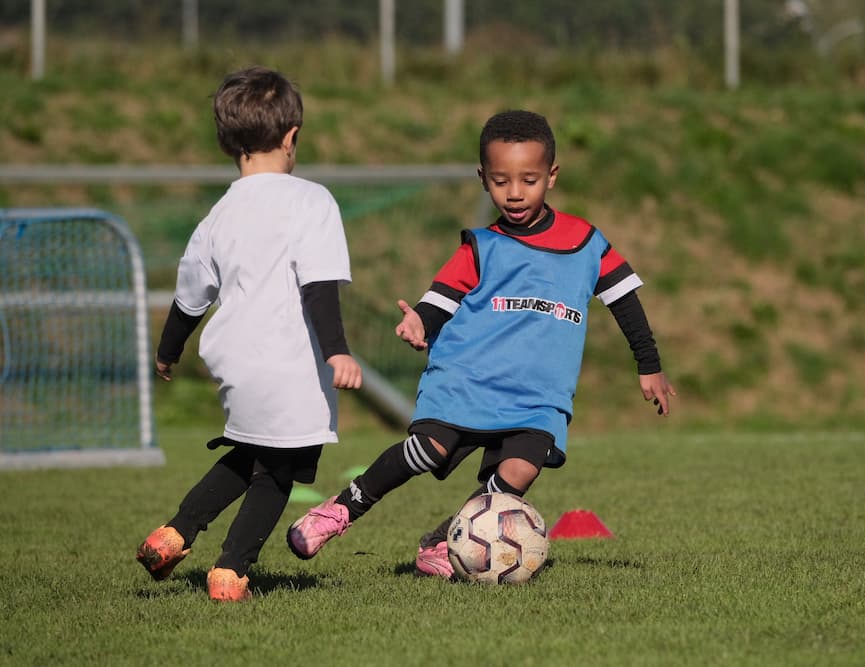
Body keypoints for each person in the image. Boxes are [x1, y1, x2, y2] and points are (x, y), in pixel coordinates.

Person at [286, 109, 674, 578]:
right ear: (482, 179)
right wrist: (421, 324)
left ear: (551, 176)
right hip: (468, 378)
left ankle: (449, 538)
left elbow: (626, 304)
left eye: (528, 179)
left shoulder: (587, 242)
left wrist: (647, 365)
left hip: (538, 396)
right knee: (429, 449)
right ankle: (345, 508)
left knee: (520, 472)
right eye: (500, 180)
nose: (514, 192)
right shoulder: (482, 245)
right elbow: (442, 296)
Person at [135, 66, 362, 602]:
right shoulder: (313, 201)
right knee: (280, 471)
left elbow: (190, 296)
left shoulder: (218, 214)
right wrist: (337, 351)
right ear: (291, 137)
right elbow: (319, 286)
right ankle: (232, 570)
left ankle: (174, 533)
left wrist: (168, 350)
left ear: (229, 143)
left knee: (252, 451)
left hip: (235, 358)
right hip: (290, 362)